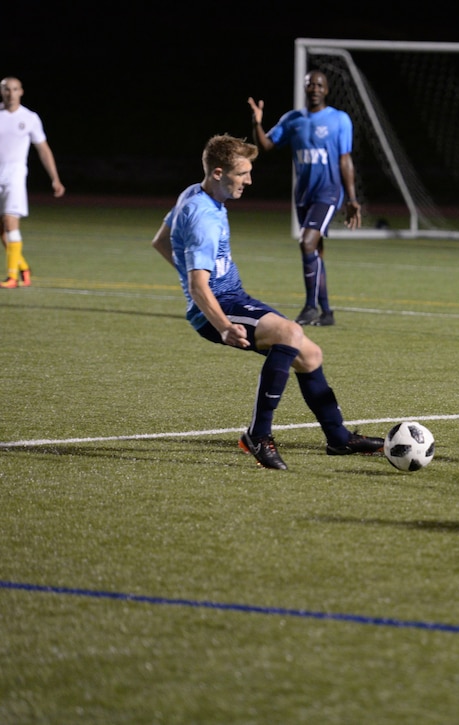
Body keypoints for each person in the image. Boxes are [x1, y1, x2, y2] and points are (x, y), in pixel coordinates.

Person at [151, 134, 382, 470]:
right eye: (242, 173)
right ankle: (258, 436)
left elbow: (160, 242)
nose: (249, 180)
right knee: (289, 334)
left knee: (310, 354)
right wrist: (224, 326)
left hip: (233, 299)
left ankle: (339, 438)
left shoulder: (193, 192)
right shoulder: (203, 218)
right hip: (219, 309)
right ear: (218, 173)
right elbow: (199, 285)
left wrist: (195, 277)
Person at [247, 70, 361, 327]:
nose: (315, 88)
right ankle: (327, 312)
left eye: (319, 85)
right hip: (304, 196)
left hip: (329, 192)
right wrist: (257, 124)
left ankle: (310, 307)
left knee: (306, 242)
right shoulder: (293, 119)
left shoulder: (339, 120)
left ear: (327, 90)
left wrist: (352, 198)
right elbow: (266, 146)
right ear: (305, 87)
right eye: (310, 84)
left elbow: (345, 159)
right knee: (315, 252)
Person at [0, 76, 65, 289]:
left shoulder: (30, 118)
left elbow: (43, 149)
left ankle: (12, 277)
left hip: (15, 177)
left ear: (21, 92)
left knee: (10, 222)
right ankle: (23, 267)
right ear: (1, 91)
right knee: (0, 229)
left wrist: (55, 178)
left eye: (15, 89)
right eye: (7, 89)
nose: (11, 93)